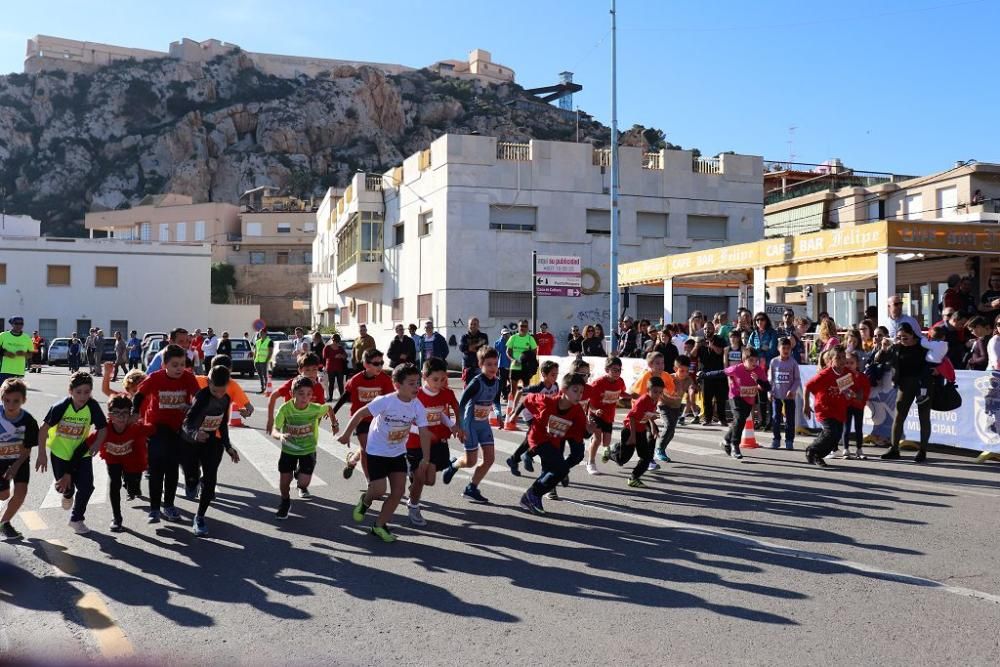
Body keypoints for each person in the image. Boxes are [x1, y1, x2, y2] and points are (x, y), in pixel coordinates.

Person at [339, 364, 430, 543]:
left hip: (397, 453)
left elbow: (424, 431)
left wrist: (426, 457)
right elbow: (359, 413)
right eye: (411, 383)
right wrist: (346, 434)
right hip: (376, 451)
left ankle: (379, 526)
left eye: (417, 383)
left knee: (398, 492)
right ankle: (365, 501)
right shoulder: (386, 401)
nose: (416, 387)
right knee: (379, 490)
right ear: (397, 384)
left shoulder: (417, 406)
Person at [132, 344, 201, 524]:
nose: (179, 368)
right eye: (175, 365)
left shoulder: (188, 377)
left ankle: (169, 505)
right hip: (156, 427)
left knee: (171, 469)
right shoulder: (155, 378)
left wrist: (191, 407)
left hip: (177, 429)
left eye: (182, 364)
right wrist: (134, 413)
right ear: (164, 365)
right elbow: (139, 396)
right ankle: (154, 509)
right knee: (156, 469)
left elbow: (200, 398)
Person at [37, 371, 108, 534]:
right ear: (70, 391)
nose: (83, 396)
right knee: (65, 488)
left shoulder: (92, 406)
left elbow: (103, 428)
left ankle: (76, 519)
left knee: (87, 487)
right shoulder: (61, 407)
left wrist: (97, 442)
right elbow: (43, 429)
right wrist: (42, 453)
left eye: (87, 392)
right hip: (60, 453)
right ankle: (68, 495)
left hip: (81, 453)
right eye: (78, 392)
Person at [515, 373, 590, 515]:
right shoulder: (546, 401)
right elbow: (528, 400)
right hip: (538, 438)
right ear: (563, 389)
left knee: (559, 470)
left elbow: (582, 434)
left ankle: (531, 496)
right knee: (560, 469)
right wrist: (515, 414)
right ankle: (532, 495)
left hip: (553, 441)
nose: (579, 395)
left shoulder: (577, 410)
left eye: (581, 392)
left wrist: (589, 431)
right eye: (575, 391)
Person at [181, 366, 241, 536]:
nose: (219, 395)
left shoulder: (225, 399)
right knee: (191, 480)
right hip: (190, 443)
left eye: (222, 391)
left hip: (210, 443)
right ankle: (193, 481)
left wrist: (228, 446)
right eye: (215, 390)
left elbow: (222, 423)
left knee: (210, 479)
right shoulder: (202, 397)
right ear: (208, 383)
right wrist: (195, 433)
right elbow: (187, 422)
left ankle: (199, 517)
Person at [405, 357, 463, 526]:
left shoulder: (445, 393)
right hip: (415, 443)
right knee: (421, 478)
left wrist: (453, 425)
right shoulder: (415, 396)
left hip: (436, 442)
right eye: (435, 379)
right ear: (424, 376)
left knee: (429, 480)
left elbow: (439, 413)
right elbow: (405, 422)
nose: (439, 383)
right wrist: (423, 432)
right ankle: (413, 505)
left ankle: (414, 480)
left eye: (443, 379)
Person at [273, 376, 337, 520]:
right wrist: (280, 435)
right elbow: (274, 429)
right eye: (301, 393)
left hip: (308, 450)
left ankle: (299, 474)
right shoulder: (285, 409)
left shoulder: (314, 409)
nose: (305, 397)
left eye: (309, 394)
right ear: (292, 393)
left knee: (303, 483)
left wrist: (334, 424)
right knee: (284, 482)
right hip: (288, 450)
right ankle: (285, 501)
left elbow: (329, 408)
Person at [442, 347, 501, 502]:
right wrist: (460, 426)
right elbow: (461, 404)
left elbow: (495, 399)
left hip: (484, 424)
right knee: (471, 461)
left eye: (495, 364)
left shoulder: (497, 382)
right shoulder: (476, 383)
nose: (493, 368)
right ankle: (454, 465)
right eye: (489, 364)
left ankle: (471, 488)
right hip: (470, 425)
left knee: (489, 459)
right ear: (481, 364)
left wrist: (498, 413)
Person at [332, 348, 394, 480]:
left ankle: (353, 460)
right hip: (361, 420)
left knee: (372, 448)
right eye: (376, 363)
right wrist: (333, 411)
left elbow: (391, 399)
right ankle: (369, 481)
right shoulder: (356, 379)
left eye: (381, 363)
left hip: (379, 421)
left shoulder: (385, 379)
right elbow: (345, 396)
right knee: (366, 450)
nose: (380, 366)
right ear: (366, 364)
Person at [96, 395, 151, 532]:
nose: (121, 417)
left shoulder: (136, 427)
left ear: (130, 414)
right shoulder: (105, 429)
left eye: (125, 413)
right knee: (115, 483)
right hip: (113, 459)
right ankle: (117, 518)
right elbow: (88, 442)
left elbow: (154, 430)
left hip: (132, 460)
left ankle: (132, 486)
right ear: (110, 415)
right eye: (116, 413)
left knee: (132, 487)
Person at [701, 348, 768, 461]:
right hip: (735, 397)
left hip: (749, 400)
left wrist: (759, 381)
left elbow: (767, 387)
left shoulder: (759, 370)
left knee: (740, 420)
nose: (754, 363)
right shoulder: (737, 369)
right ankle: (734, 446)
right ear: (744, 360)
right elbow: (720, 373)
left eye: (756, 360)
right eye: (751, 360)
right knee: (739, 418)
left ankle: (726, 440)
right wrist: (704, 374)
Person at [880, 323, 933, 463]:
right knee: (899, 416)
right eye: (899, 337)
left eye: (905, 337)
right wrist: (883, 349)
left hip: (923, 384)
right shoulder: (897, 347)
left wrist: (936, 370)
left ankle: (922, 451)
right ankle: (894, 449)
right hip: (905, 384)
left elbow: (939, 357)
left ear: (913, 335)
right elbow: (878, 360)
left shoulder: (923, 345)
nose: (903, 340)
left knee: (924, 417)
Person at [506, 360, 561, 477]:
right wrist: (515, 411)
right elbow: (521, 392)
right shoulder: (538, 387)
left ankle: (514, 459)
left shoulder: (555, 386)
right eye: (552, 374)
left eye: (557, 374)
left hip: (543, 416)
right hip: (530, 415)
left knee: (529, 441)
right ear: (544, 374)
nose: (555, 377)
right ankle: (536, 463)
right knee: (539, 439)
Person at [0, 378, 40, 540]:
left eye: (16, 401)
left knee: (21, 492)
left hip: (20, 460)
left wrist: (16, 466)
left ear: (23, 400)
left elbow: (27, 448)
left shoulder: (28, 421)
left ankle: (4, 522)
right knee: (3, 495)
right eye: (6, 400)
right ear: (1, 398)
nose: (10, 405)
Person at [609, 376, 664, 488]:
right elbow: (632, 418)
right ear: (648, 390)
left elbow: (649, 413)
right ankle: (610, 452)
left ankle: (633, 478)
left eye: (660, 392)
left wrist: (653, 425)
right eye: (655, 392)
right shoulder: (642, 401)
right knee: (623, 459)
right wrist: (633, 436)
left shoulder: (654, 400)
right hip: (629, 430)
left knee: (646, 457)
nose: (657, 394)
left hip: (641, 430)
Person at [803, 346, 853, 467]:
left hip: (838, 410)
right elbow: (808, 386)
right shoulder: (825, 374)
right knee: (830, 433)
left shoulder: (846, 372)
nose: (842, 361)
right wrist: (806, 405)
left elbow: (846, 390)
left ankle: (816, 452)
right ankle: (814, 452)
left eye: (843, 357)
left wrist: (850, 395)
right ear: (831, 360)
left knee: (836, 435)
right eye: (838, 358)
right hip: (824, 409)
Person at [265, 353, 327, 439]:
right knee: (291, 449)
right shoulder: (292, 384)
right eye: (307, 370)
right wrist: (270, 419)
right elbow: (273, 396)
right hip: (290, 427)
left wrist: (315, 427)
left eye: (314, 369)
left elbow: (320, 410)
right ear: (300, 370)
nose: (311, 373)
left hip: (307, 430)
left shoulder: (318, 388)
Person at [583, 357, 626, 475]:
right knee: (597, 439)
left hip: (608, 415)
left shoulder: (620, 382)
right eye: (614, 370)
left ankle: (610, 453)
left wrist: (632, 396)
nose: (617, 373)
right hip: (595, 414)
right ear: (607, 370)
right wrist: (595, 410)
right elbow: (588, 401)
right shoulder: (598, 383)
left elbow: (621, 392)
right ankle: (590, 463)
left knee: (606, 443)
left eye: (619, 370)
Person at [195, 355, 253, 422]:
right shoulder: (232, 385)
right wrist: (248, 412)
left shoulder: (232, 385)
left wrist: (247, 412)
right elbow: (250, 408)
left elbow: (250, 408)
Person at [656, 355, 691, 463]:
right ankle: (659, 449)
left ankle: (662, 449)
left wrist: (693, 389)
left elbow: (692, 390)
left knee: (671, 431)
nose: (684, 373)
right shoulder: (669, 378)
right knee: (669, 425)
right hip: (664, 405)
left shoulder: (688, 380)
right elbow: (656, 388)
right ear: (675, 369)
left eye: (687, 371)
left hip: (676, 407)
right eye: (682, 371)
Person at [769, 337, 801, 450]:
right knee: (775, 418)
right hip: (776, 395)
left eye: (788, 348)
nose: (786, 350)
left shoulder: (793, 363)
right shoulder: (774, 362)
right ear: (778, 348)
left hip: (789, 397)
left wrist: (792, 390)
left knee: (790, 420)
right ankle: (776, 439)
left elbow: (797, 380)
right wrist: (770, 391)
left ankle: (789, 441)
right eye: (784, 348)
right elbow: (770, 379)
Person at [748, 312, 779, 429]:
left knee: (769, 392)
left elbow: (772, 350)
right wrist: (761, 349)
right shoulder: (754, 334)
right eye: (757, 320)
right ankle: (762, 420)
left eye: (762, 319)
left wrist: (758, 351)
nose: (759, 322)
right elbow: (748, 350)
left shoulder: (772, 333)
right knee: (760, 393)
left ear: (766, 321)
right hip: (757, 367)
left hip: (769, 366)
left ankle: (771, 420)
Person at [841, 351, 871, 460]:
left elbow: (866, 391)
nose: (849, 365)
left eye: (851, 363)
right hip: (847, 406)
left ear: (857, 364)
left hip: (858, 406)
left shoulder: (862, 377)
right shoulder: (844, 377)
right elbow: (843, 391)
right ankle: (846, 449)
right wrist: (849, 395)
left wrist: (860, 399)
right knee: (846, 428)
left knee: (859, 428)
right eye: (846, 362)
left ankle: (859, 450)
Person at [698, 334, 728, 427]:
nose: (707, 330)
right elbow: (694, 355)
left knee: (720, 399)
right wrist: (697, 344)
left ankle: (722, 419)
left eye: (709, 328)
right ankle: (708, 419)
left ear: (713, 329)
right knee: (707, 399)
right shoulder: (701, 341)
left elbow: (720, 352)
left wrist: (712, 346)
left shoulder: (720, 340)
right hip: (705, 374)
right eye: (706, 329)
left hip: (719, 374)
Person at [506, 320, 538, 399]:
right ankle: (510, 408)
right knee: (513, 389)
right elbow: (508, 351)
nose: (523, 328)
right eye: (521, 326)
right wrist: (513, 360)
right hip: (515, 366)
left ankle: (525, 408)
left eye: (525, 326)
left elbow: (534, 352)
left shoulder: (530, 338)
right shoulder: (513, 338)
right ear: (518, 327)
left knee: (526, 390)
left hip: (526, 368)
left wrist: (528, 361)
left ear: (527, 328)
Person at [0, 317, 33, 382]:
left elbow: (30, 354)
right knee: (3, 391)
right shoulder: (3, 335)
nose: (19, 326)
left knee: (16, 392)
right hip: (4, 370)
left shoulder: (27, 338)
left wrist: (24, 354)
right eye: (16, 323)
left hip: (19, 371)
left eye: (21, 324)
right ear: (12, 324)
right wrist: (5, 353)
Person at [493, 328, 512, 420]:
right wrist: (502, 339)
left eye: (507, 334)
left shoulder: (512, 341)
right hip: (503, 366)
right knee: (502, 383)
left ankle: (507, 395)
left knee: (513, 384)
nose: (506, 336)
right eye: (504, 334)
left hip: (511, 366)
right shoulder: (499, 342)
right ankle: (504, 394)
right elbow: (498, 349)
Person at [322, 334, 349, 399]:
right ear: (332, 340)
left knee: (340, 383)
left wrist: (342, 356)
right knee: (331, 383)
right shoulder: (327, 347)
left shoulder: (340, 348)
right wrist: (334, 357)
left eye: (337, 341)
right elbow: (324, 357)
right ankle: (330, 397)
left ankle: (342, 398)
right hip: (330, 368)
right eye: (335, 341)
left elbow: (346, 356)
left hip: (339, 368)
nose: (336, 343)